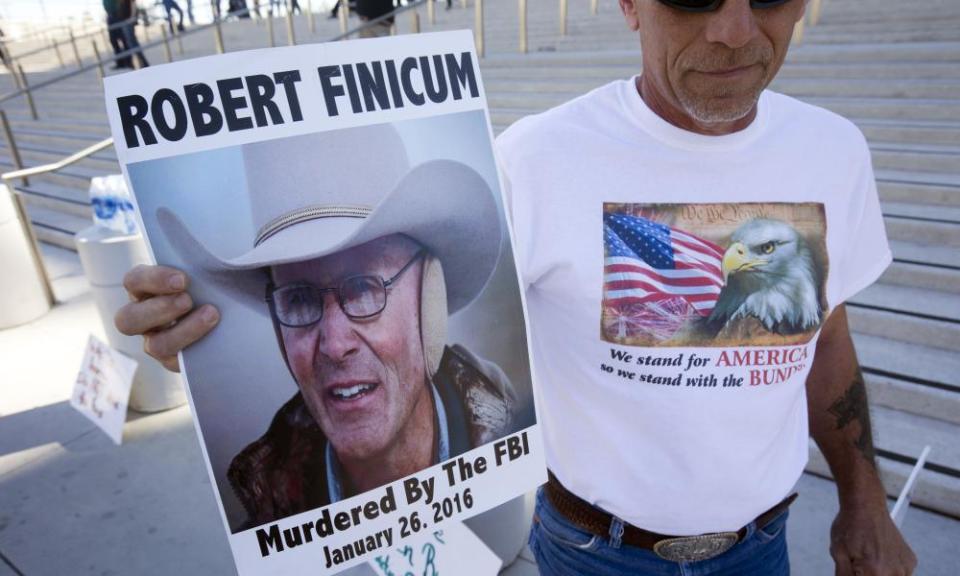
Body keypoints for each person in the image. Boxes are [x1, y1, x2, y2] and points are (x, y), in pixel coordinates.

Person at [493, 0, 915, 574]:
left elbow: (827, 335)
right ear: (628, 6)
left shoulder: (834, 152)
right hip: (593, 554)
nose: (735, 32)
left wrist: (864, 499)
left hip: (762, 548)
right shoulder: (532, 161)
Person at [117, 125, 520, 529]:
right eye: (299, 298)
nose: (333, 344)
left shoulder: (511, 419)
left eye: (364, 289)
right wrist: (192, 355)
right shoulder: (264, 505)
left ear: (428, 300)